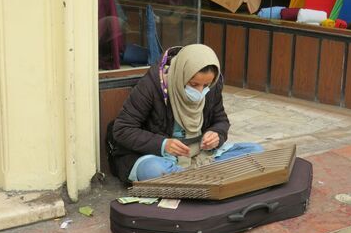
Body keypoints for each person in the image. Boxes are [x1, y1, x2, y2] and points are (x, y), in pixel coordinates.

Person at [110, 44, 263, 184]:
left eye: (205, 85)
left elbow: (221, 121)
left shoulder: (213, 87)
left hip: (201, 155)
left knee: (256, 152)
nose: (199, 91)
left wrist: (216, 134)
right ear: (180, 75)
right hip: (161, 156)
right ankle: (203, 179)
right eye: (193, 84)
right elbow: (122, 129)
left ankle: (189, 181)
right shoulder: (153, 85)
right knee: (153, 170)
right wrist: (164, 144)